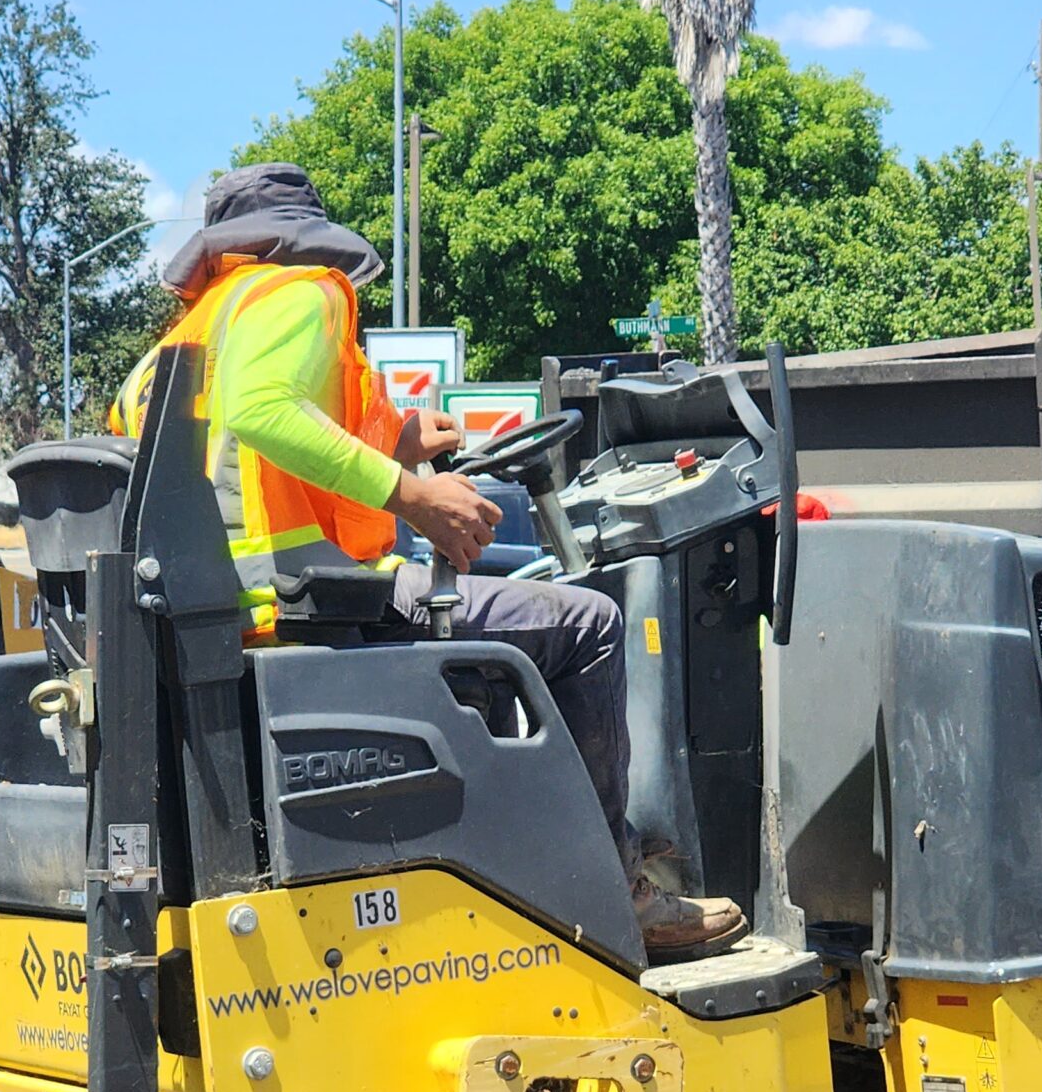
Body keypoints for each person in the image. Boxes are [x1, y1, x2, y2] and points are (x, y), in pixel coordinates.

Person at [111, 163, 746, 958]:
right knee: (589, 623)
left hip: (226, 610)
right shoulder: (302, 292)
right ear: (302, 236)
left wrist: (397, 444)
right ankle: (614, 890)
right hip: (301, 603)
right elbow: (262, 412)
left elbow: (241, 462)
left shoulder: (187, 336)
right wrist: (412, 492)